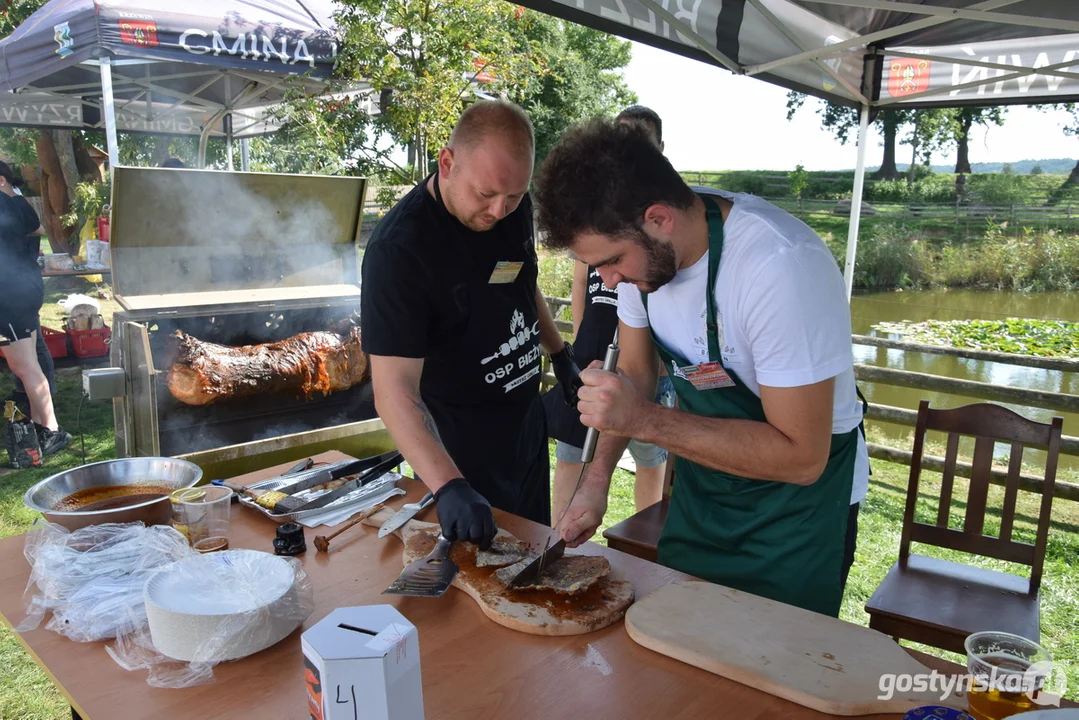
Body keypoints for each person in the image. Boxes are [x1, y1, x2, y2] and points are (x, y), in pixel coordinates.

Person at [533, 119, 870, 617]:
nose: (607, 280)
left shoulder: (777, 267)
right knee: (679, 650)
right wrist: (597, 478)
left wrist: (643, 420)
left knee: (777, 676)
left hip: (797, 518)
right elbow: (639, 374)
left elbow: (803, 457)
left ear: (659, 218)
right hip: (704, 497)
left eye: (612, 260)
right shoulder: (640, 266)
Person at [360, 100, 580, 550]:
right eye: (486, 195)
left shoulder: (511, 202)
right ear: (447, 162)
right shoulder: (400, 251)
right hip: (459, 450)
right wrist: (448, 486)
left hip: (523, 427)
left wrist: (560, 354)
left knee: (531, 567)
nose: (500, 210)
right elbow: (393, 392)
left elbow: (524, 281)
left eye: (514, 197)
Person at [544, 105, 674, 519]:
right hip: (595, 352)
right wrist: (581, 343)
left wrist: (666, 366)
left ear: (661, 149)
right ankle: (562, 537)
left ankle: (642, 540)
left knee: (650, 459)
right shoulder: (592, 211)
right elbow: (582, 282)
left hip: (652, 362)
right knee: (572, 452)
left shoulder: (665, 224)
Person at [0, 161, 72, 457]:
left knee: (25, 367)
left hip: (9, 296)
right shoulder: (16, 203)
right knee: (27, 365)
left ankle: (52, 431)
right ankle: (45, 428)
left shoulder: (6, 204)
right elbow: (34, 229)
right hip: (23, 289)